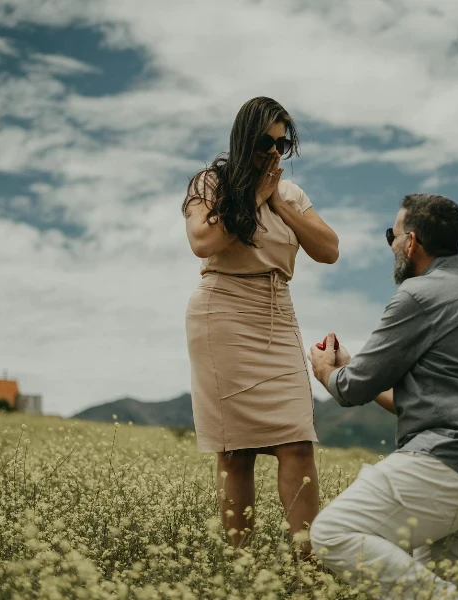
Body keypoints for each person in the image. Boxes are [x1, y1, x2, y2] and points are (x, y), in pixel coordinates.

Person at [307, 194, 458, 599]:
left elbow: (351, 388)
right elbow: (424, 397)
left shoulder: (417, 295)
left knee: (332, 532)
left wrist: (327, 370)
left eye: (391, 235)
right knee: (443, 585)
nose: (391, 244)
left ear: (410, 243)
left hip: (453, 457)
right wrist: (355, 365)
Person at [182, 96, 340, 558]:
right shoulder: (211, 184)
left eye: (282, 143)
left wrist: (278, 202)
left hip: (276, 315)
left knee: (298, 443)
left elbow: (329, 249)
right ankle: (240, 564)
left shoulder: (291, 195)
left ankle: (307, 562)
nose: (274, 152)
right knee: (235, 453)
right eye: (265, 142)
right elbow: (203, 240)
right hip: (222, 314)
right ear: (243, 139)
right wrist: (252, 196)